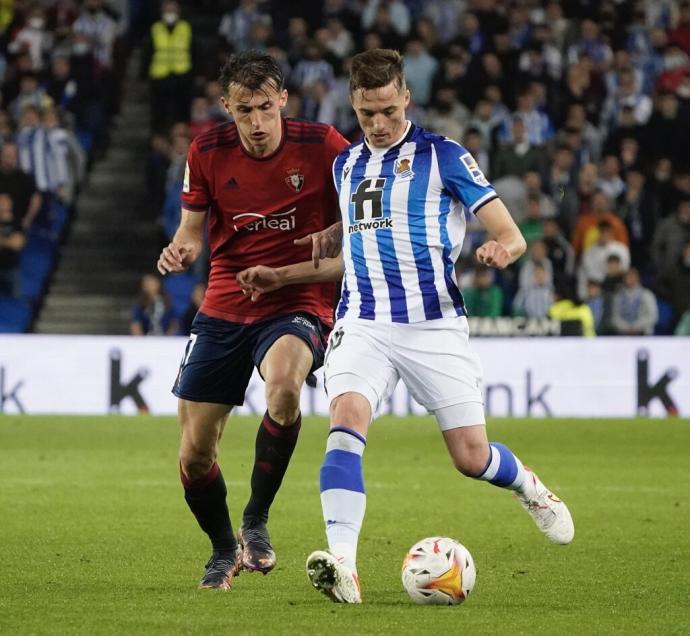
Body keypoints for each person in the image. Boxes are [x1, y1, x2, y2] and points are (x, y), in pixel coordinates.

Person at [237, 48, 574, 604]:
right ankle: (342, 565)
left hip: (433, 326)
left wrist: (500, 249)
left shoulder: (444, 157)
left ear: (406, 98)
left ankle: (528, 486)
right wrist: (284, 274)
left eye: (389, 110)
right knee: (344, 424)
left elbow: (512, 234)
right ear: (354, 103)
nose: (379, 123)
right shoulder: (346, 165)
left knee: (471, 457)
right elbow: (357, 249)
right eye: (368, 113)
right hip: (363, 322)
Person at [156, 51, 348, 590]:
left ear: (284, 99)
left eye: (267, 107)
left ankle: (255, 520)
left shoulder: (324, 146)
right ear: (227, 107)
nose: (258, 122)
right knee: (195, 454)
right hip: (224, 303)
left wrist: (332, 237)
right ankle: (223, 550)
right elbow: (191, 232)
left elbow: (360, 218)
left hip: (298, 297)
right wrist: (179, 250)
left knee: (285, 388)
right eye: (245, 110)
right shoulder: (207, 150)